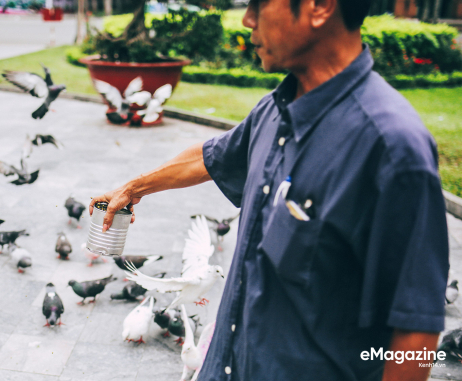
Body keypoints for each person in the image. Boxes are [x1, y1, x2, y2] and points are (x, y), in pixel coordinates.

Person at [90, 0, 449, 380]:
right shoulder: (275, 110)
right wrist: (134, 188)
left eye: (259, 5)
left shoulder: (391, 149)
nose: (247, 20)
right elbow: (210, 158)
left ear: (320, 7)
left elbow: (416, 332)